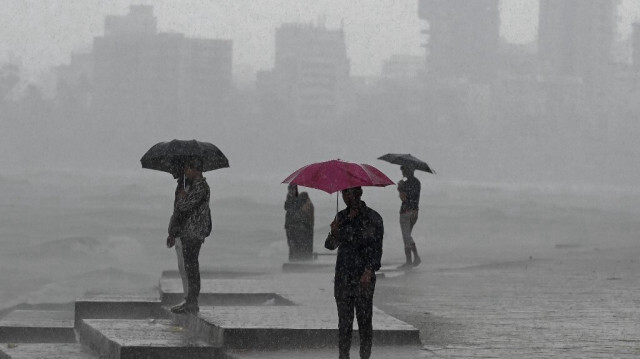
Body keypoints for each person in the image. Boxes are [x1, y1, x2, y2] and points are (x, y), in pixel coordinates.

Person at [325, 187, 383, 359]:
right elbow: (330, 245)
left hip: (363, 278)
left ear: (359, 193)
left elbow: (377, 250)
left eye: (348, 193)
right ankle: (344, 356)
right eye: (343, 193)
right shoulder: (341, 217)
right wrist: (334, 232)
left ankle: (365, 357)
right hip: (343, 276)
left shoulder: (373, 217)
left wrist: (368, 270)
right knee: (344, 323)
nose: (345, 197)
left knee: (364, 323)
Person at [166, 158, 212, 314]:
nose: (186, 172)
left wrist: (182, 196)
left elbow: (185, 206)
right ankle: (190, 302)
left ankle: (192, 303)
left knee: (191, 268)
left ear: (195, 170)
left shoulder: (200, 187)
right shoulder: (195, 186)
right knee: (189, 267)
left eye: (188, 169)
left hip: (194, 232)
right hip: (190, 232)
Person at [397, 165, 421, 269]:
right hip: (414, 212)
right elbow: (414, 197)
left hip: (406, 212)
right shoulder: (417, 182)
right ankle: (412, 259)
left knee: (406, 236)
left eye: (403, 171)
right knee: (408, 236)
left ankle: (411, 260)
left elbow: (404, 199)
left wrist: (400, 189)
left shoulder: (405, 184)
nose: (402, 173)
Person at [284, 184, 314, 261]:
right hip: (294, 229)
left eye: (293, 189)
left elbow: (306, 220)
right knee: (295, 247)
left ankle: (296, 262)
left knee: (295, 247)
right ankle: (297, 262)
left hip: (297, 230)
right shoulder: (293, 202)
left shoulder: (299, 202)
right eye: (291, 189)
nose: (292, 191)